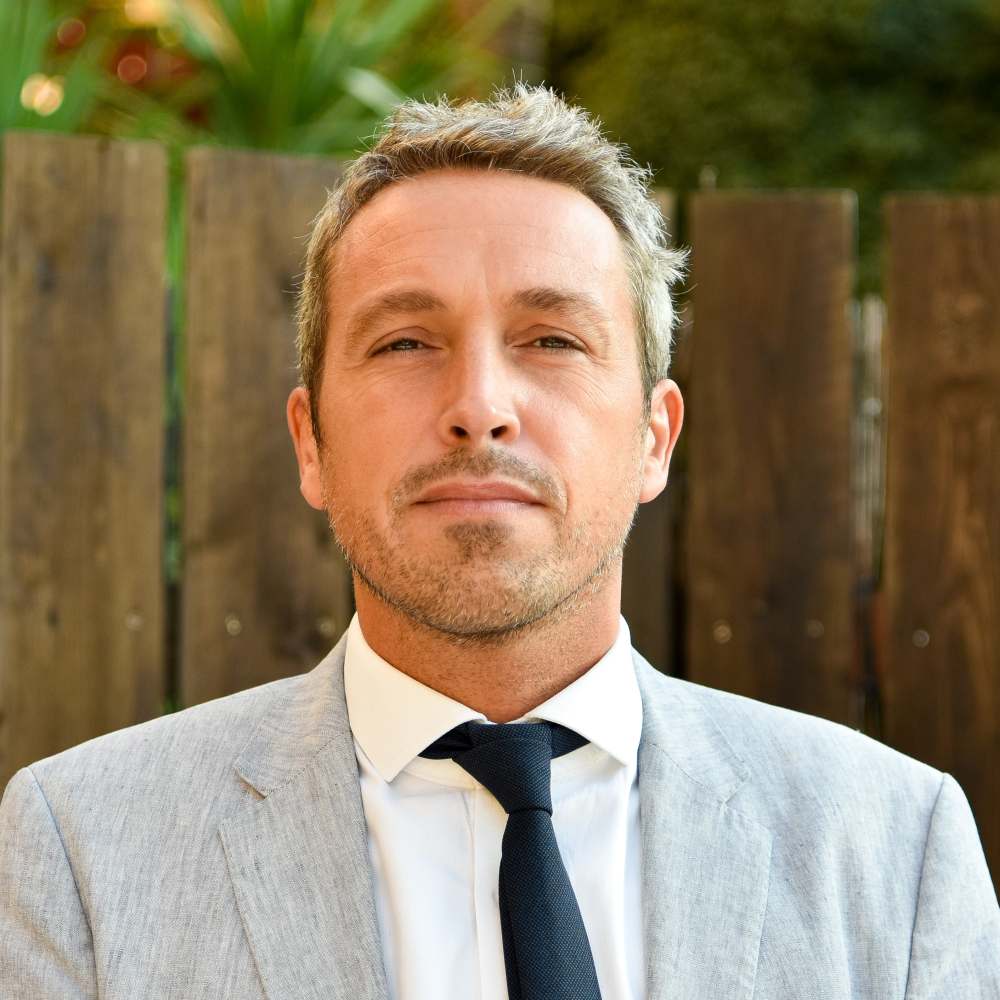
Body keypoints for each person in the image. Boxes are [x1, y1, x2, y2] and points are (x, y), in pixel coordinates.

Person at [1, 83, 998, 1000]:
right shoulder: (83, 851)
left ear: (654, 438)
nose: (479, 406)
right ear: (311, 443)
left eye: (552, 340)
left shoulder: (896, 850)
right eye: (405, 342)